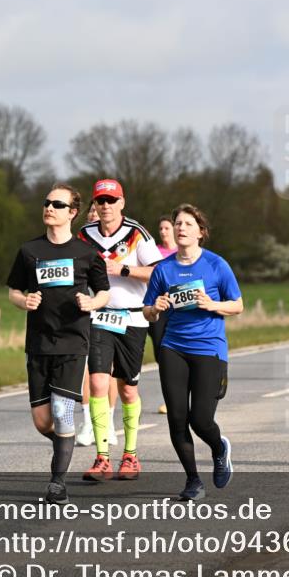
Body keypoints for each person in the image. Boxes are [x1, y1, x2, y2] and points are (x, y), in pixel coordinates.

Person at [7, 183, 111, 504]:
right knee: (43, 421)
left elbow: (104, 292)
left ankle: (57, 483)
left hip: (72, 342)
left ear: (72, 213)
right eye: (47, 203)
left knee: (63, 411)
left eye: (57, 204)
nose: (49, 208)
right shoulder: (28, 251)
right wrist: (25, 301)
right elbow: (13, 291)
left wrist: (92, 304)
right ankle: (63, 443)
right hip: (38, 343)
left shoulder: (86, 254)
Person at [143, 204, 242, 501]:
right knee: (176, 418)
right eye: (177, 223)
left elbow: (237, 305)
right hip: (173, 347)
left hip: (209, 348)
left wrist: (212, 305)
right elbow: (148, 311)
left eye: (188, 223)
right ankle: (192, 480)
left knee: (200, 419)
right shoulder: (164, 269)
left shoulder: (216, 265)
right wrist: (155, 309)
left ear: (201, 231)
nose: (181, 228)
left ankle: (219, 447)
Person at [77, 179, 164, 481]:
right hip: (99, 316)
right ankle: (102, 457)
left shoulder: (138, 234)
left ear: (122, 203)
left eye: (111, 201)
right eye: (100, 201)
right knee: (98, 383)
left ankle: (131, 455)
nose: (106, 207)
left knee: (127, 388)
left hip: (133, 317)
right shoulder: (85, 235)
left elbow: (158, 273)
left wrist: (124, 269)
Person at [76, 200, 119, 447]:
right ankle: (87, 423)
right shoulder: (80, 241)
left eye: (98, 211)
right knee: (86, 370)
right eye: (91, 211)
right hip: (84, 308)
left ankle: (109, 423)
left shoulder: (117, 242)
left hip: (109, 309)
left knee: (106, 370)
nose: (95, 214)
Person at [151, 215, 178, 415]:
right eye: (160, 228)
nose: (163, 232)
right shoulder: (154, 252)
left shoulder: (183, 252)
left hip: (178, 309)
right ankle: (169, 398)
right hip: (158, 307)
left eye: (167, 228)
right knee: (162, 354)